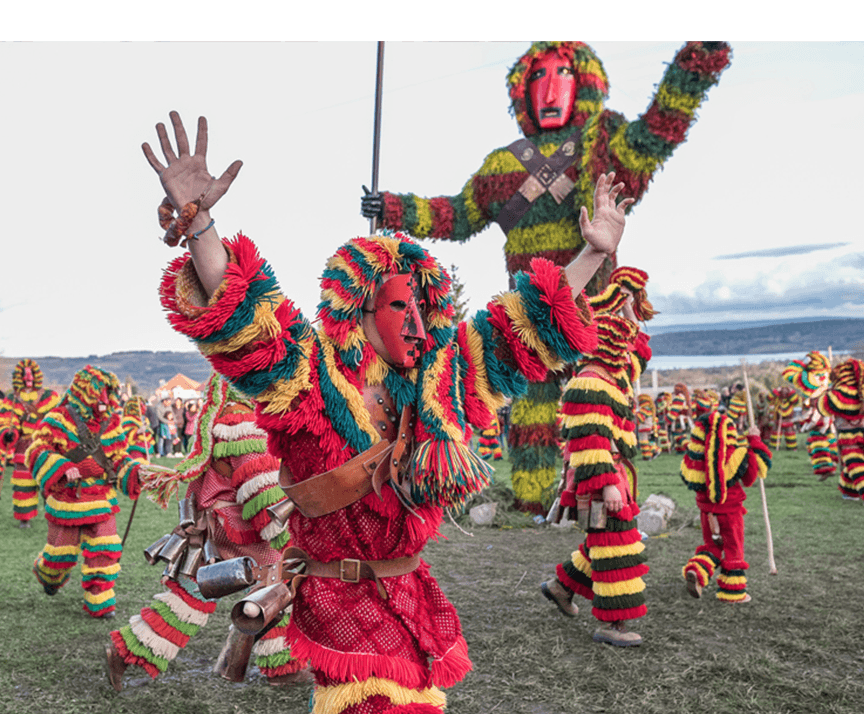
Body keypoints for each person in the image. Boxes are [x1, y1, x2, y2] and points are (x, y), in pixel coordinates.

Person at [141, 111, 629, 713]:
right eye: (402, 307)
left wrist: (591, 253)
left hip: (411, 594)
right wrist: (200, 224)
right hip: (339, 602)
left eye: (425, 307)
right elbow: (245, 317)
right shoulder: (309, 378)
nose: (419, 325)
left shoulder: (444, 383)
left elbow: (521, 329)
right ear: (359, 310)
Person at [361, 40, 732, 513]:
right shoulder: (502, 165)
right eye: (538, 77)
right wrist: (391, 207)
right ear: (522, 90)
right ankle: (532, 500)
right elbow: (457, 213)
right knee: (531, 409)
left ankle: (603, 499)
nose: (551, 90)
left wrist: (696, 63)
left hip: (592, 310)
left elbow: (656, 133)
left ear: (586, 84)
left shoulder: (602, 142)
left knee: (597, 403)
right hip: (529, 315)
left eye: (563, 74)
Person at [106, 372, 310, 690]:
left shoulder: (227, 411)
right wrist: (285, 534)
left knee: (193, 596)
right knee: (277, 584)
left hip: (219, 524)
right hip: (243, 528)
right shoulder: (242, 419)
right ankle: (282, 667)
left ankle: (125, 652)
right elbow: (261, 490)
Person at [540, 267, 654, 647]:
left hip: (614, 477)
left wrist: (628, 307)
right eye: (620, 343)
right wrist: (607, 486)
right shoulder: (589, 381)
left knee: (605, 540)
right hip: (600, 480)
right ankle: (614, 624)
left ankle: (561, 587)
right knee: (617, 548)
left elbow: (639, 353)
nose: (626, 350)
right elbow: (589, 443)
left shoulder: (610, 376)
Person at [25, 365, 145, 617]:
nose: (104, 399)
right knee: (59, 557)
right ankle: (47, 574)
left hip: (101, 499)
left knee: (105, 549)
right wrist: (63, 466)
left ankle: (100, 601)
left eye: (107, 393)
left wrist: (136, 473)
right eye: (99, 392)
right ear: (84, 392)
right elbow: (36, 451)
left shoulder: (112, 422)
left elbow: (118, 457)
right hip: (68, 500)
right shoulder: (57, 418)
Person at [680, 404, 772, 603]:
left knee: (712, 546)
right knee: (733, 549)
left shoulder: (691, 459)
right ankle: (733, 592)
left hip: (707, 514)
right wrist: (754, 440)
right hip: (730, 513)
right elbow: (754, 473)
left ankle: (698, 570)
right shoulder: (737, 455)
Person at [0, 359, 62, 526]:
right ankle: (25, 518)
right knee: (24, 483)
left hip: (45, 445)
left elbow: (60, 418)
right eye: (24, 376)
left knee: (51, 480)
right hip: (23, 446)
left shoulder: (50, 397)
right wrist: (7, 434)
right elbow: (4, 421)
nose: (28, 380)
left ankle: (55, 513)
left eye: (31, 376)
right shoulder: (12, 399)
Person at [816, 359, 864, 506]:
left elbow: (823, 408)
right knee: (851, 462)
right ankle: (849, 492)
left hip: (848, 435)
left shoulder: (839, 393)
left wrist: (823, 392)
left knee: (855, 463)